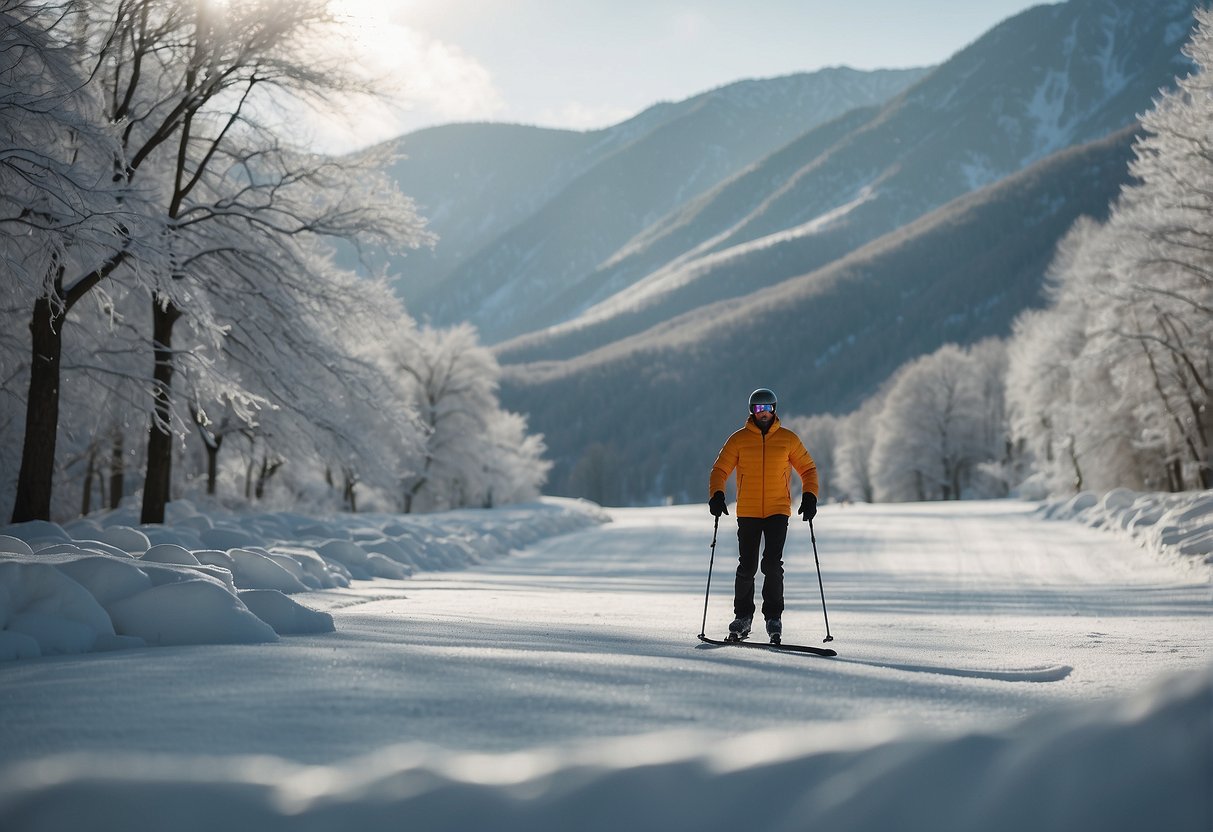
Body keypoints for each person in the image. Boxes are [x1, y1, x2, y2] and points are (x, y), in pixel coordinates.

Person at [708, 388, 818, 642]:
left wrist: (810, 495)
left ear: (775, 409)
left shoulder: (788, 439)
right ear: (752, 411)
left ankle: (773, 617)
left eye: (768, 408)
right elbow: (719, 470)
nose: (764, 413)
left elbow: (808, 469)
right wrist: (717, 494)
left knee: (771, 565)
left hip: (778, 509)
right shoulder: (738, 439)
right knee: (747, 566)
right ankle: (743, 617)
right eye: (759, 408)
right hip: (748, 511)